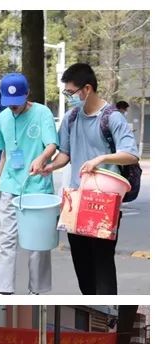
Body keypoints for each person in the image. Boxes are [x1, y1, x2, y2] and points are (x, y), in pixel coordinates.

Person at [37, 63, 139, 295]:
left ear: (87, 89)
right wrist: (50, 166)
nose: (68, 97)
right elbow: (65, 154)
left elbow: (131, 154)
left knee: (102, 262)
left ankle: (106, 305)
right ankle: (91, 299)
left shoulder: (112, 118)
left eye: (70, 92)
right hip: (75, 200)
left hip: (104, 202)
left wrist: (100, 158)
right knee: (81, 263)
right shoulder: (71, 118)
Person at [0, 72, 58, 295]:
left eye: (17, 103)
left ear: (27, 95)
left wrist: (42, 158)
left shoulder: (42, 113)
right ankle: (3, 290)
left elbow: (52, 145)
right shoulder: (4, 118)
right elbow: (6, 151)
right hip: (10, 187)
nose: (13, 108)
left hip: (37, 188)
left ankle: (37, 291)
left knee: (38, 244)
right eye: (9, 104)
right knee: (6, 239)